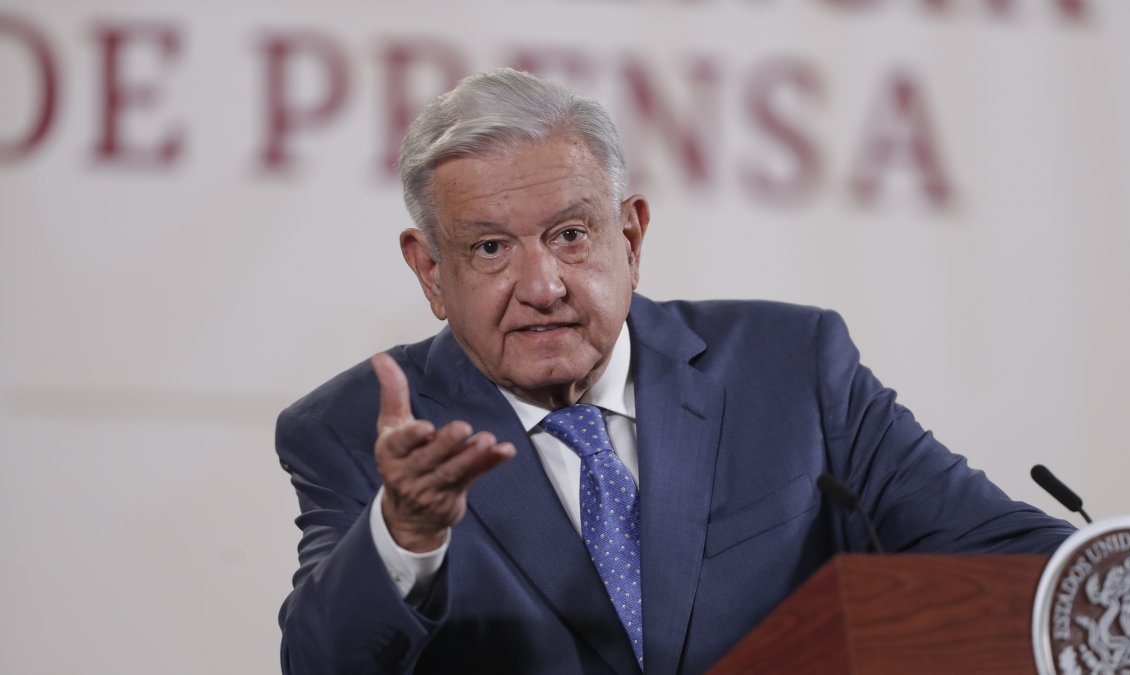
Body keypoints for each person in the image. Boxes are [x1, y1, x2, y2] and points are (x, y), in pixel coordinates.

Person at [275, 67, 1073, 674]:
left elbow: (1015, 559)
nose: (542, 285)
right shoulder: (352, 431)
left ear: (630, 236)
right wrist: (406, 535)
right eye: (490, 247)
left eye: (570, 235)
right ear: (430, 271)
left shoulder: (792, 368)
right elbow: (322, 662)